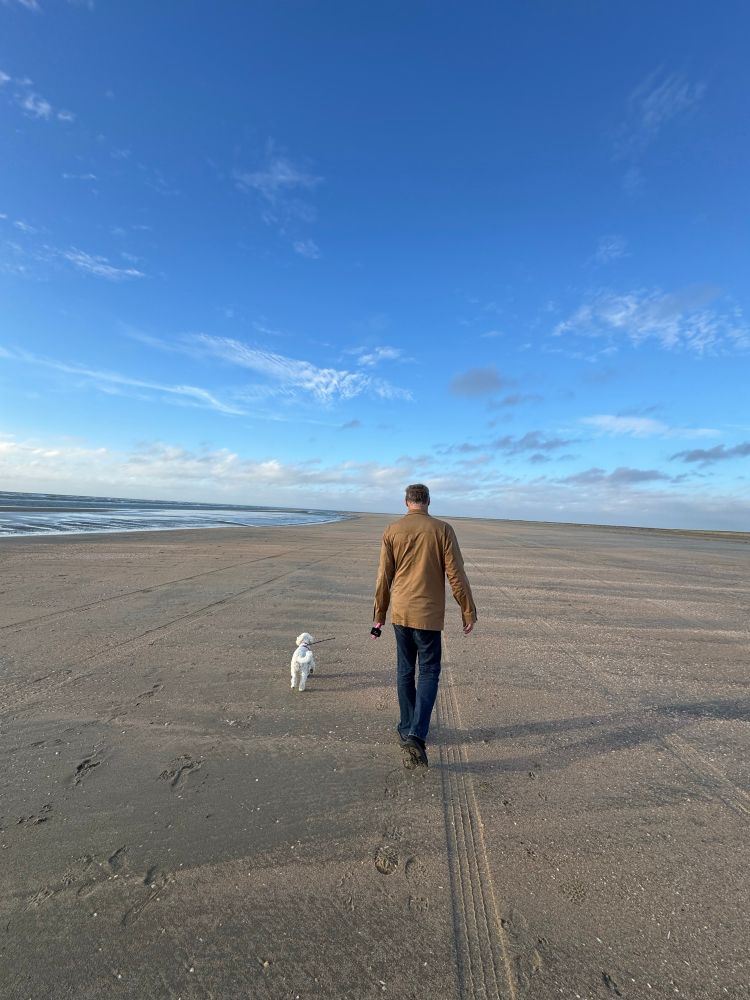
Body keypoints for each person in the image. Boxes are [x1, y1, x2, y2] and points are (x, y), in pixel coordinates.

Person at [371, 483, 477, 768]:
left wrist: (379, 612)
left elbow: (384, 576)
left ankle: (407, 727)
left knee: (405, 670)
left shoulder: (392, 530)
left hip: (401, 613)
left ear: (407, 502)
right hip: (428, 615)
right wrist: (468, 610)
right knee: (429, 671)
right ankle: (416, 733)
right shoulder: (442, 529)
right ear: (427, 501)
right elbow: (456, 574)